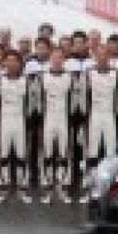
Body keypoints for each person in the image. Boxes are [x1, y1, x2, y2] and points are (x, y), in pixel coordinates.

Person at [0, 51, 40, 203]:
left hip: (21, 122)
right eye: (8, 61)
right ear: (4, 63)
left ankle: (21, 188)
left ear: (20, 64)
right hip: (4, 121)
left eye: (14, 61)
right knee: (3, 155)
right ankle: (3, 187)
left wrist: (31, 123)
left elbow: (33, 104)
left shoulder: (28, 82)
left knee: (21, 156)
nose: (11, 64)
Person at [36, 49, 78, 204]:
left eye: (60, 57)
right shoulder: (42, 76)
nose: (57, 60)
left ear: (64, 59)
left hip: (64, 119)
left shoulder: (70, 77)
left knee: (63, 154)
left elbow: (75, 100)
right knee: (47, 154)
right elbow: (37, 100)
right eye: (54, 57)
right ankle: (47, 189)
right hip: (48, 119)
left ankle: (62, 188)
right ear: (50, 58)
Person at [81, 47, 118, 181]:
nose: (102, 58)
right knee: (92, 147)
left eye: (105, 55)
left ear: (109, 57)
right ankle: (90, 178)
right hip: (94, 113)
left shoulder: (117, 73)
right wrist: (85, 112)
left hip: (109, 114)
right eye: (99, 55)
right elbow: (84, 94)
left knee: (110, 148)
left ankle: (110, 179)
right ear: (95, 57)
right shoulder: (89, 73)